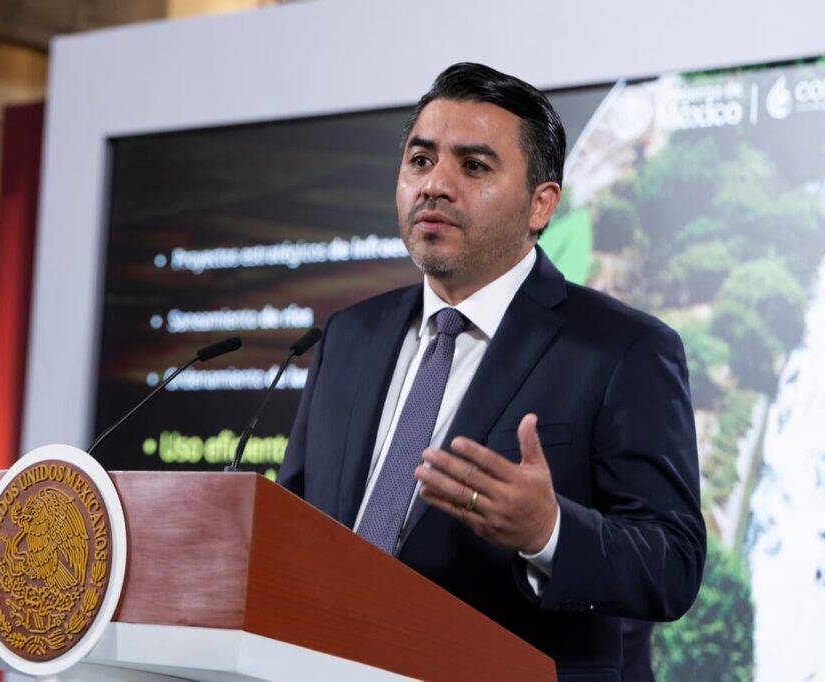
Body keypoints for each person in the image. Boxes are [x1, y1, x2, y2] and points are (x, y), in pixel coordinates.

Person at [278, 62, 706, 681]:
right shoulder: (349, 335)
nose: (435, 185)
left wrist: (549, 531)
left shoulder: (625, 348)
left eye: (474, 166)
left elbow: (673, 565)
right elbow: (296, 525)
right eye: (420, 160)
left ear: (541, 205)